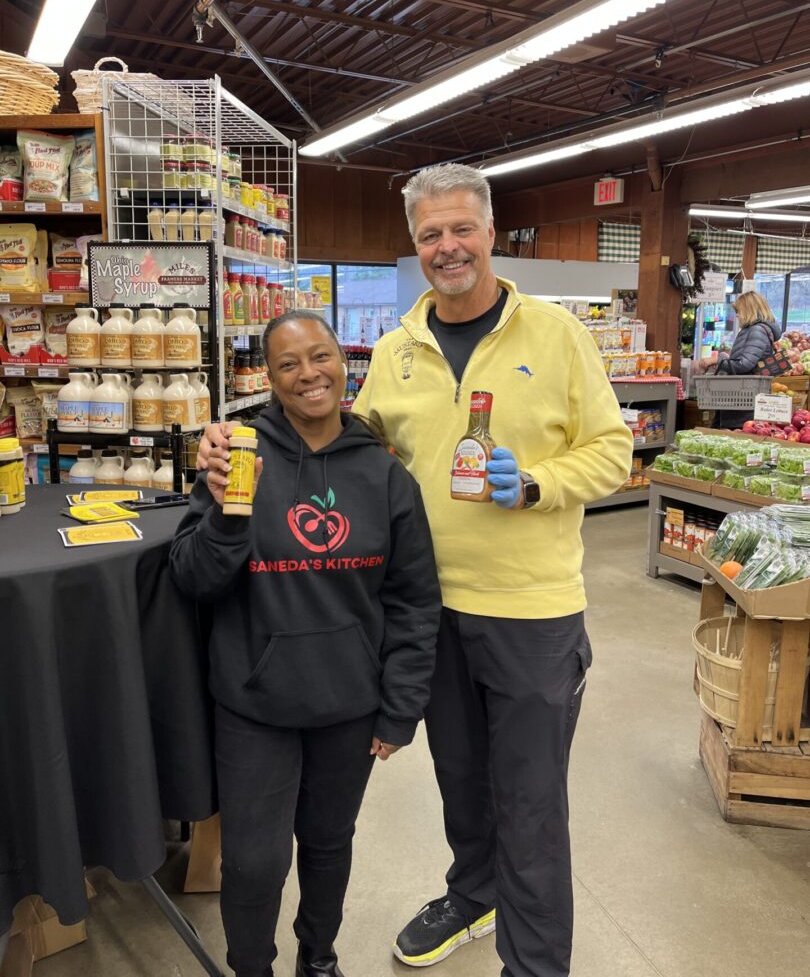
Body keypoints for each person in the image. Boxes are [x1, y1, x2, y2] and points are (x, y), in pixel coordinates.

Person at [199, 164, 633, 977]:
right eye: (430, 234)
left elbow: (613, 449)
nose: (447, 247)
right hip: (429, 614)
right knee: (462, 789)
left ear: (491, 231)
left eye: (461, 229)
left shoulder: (555, 333)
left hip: (529, 611)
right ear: (415, 243)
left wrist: (540, 484)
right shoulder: (397, 349)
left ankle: (532, 966)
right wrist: (234, 440)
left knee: (530, 806)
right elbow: (338, 437)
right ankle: (473, 895)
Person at [171, 311, 441, 977]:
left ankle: (318, 960)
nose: (308, 374)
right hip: (253, 702)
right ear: (270, 377)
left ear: (342, 363)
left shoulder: (384, 476)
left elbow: (412, 599)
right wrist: (230, 523)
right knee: (255, 860)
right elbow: (192, 579)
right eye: (288, 363)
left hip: (347, 704)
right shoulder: (236, 456)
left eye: (319, 356)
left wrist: (399, 706)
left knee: (327, 846)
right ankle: (252, 968)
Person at [694, 290, 782, 429]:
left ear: (749, 310)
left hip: (745, 398)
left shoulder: (756, 330)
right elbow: (744, 359)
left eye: (739, 311)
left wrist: (717, 361)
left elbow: (744, 364)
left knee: (730, 436)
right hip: (742, 396)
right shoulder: (753, 330)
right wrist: (723, 358)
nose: (737, 315)